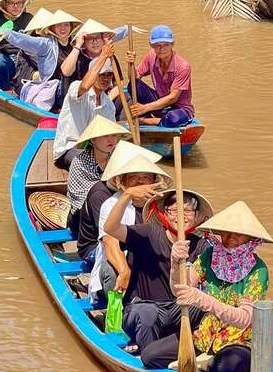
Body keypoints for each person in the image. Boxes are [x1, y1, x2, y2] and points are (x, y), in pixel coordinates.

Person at [141, 200, 273, 372]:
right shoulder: (209, 256)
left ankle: (205, 365)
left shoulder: (258, 270)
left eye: (239, 234)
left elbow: (243, 319)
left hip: (238, 341)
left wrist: (202, 299)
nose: (230, 238)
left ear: (251, 239)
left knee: (225, 367)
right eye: (226, 232)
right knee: (150, 356)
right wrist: (175, 263)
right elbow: (180, 289)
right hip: (204, 337)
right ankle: (201, 360)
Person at [103, 186, 210, 353]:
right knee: (148, 314)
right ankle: (149, 358)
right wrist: (127, 195)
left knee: (202, 304)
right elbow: (110, 228)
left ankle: (195, 349)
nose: (181, 216)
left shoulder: (201, 245)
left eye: (188, 211)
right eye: (174, 210)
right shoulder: (148, 233)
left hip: (176, 310)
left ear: (196, 216)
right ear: (165, 214)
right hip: (143, 308)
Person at [83, 151, 171, 296]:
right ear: (123, 182)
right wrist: (124, 271)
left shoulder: (161, 207)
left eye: (146, 178)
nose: (140, 182)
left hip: (152, 259)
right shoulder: (112, 204)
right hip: (122, 260)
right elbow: (110, 242)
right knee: (113, 274)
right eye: (133, 178)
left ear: (154, 182)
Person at [0, 8, 82, 111]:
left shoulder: (75, 44)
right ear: (53, 28)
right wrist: (8, 34)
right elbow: (27, 41)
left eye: (66, 25)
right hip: (54, 90)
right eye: (59, 25)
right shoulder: (47, 44)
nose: (63, 28)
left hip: (73, 86)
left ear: (71, 27)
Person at [53, 44, 119, 169]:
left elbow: (111, 136)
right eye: (101, 74)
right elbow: (85, 86)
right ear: (93, 75)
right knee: (90, 164)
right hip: (69, 149)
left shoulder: (108, 105)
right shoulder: (76, 88)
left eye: (109, 75)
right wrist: (104, 55)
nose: (105, 79)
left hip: (96, 149)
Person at [125, 25, 194, 127]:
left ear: (172, 44)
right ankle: (158, 119)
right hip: (159, 105)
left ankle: (145, 121)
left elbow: (173, 98)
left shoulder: (183, 66)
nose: (161, 49)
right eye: (157, 45)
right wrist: (130, 64)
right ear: (151, 45)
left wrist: (145, 108)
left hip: (179, 108)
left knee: (173, 119)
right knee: (134, 84)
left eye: (166, 45)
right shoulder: (151, 56)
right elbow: (134, 77)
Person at [66, 114, 132, 219]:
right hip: (84, 215)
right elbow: (79, 199)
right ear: (93, 140)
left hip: (114, 208)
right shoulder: (79, 162)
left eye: (114, 135)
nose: (111, 140)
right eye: (105, 136)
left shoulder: (119, 157)